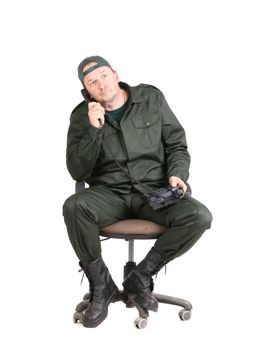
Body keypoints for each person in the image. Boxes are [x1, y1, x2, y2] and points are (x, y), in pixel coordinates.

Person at [63, 55, 213, 328]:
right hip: (109, 195)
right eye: (92, 82)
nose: (102, 84)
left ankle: (141, 276)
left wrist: (178, 173)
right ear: (87, 91)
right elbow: (77, 171)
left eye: (104, 76)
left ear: (115, 74)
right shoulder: (81, 117)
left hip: (154, 192)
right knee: (74, 206)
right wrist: (94, 129)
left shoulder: (151, 99)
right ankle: (102, 286)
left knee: (199, 216)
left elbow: (176, 144)